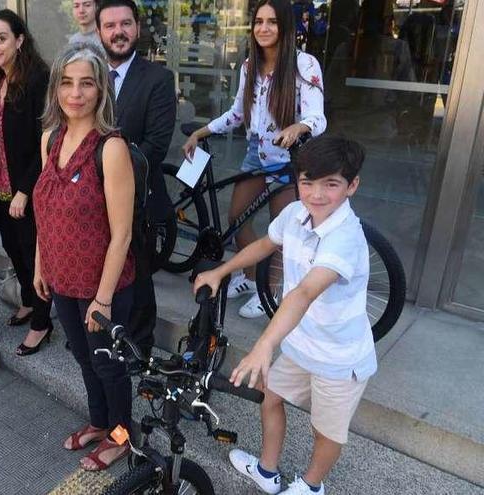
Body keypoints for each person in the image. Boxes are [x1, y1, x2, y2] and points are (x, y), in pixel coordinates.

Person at [194, 135, 375, 495]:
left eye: (331, 184)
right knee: (270, 397)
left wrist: (264, 344)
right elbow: (266, 244)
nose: (317, 195)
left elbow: (305, 292)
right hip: (299, 342)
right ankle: (267, 470)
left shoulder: (345, 238)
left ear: (352, 186)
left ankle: (310, 486)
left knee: (326, 430)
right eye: (307, 182)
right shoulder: (295, 213)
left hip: (340, 359)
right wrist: (221, 271)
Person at [182, 0, 326, 318]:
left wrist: (299, 126)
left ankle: (268, 290)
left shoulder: (305, 65)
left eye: (272, 22)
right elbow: (237, 114)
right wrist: (201, 132)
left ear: (285, 27)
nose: (263, 28)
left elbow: (318, 117)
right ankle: (249, 277)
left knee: (281, 232)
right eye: (258, 21)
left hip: (289, 159)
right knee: (237, 220)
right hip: (255, 155)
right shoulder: (250, 66)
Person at [34, 42, 135, 472]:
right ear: (56, 88)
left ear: (101, 91)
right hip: (60, 277)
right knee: (83, 357)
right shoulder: (49, 139)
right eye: (67, 83)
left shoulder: (110, 148)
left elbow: (123, 233)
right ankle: (99, 422)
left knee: (109, 366)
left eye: (87, 84)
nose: (75, 93)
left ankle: (122, 437)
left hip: (101, 285)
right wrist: (41, 264)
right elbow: (46, 209)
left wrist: (104, 299)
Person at [96, 0, 176, 356]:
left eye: (125, 23)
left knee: (138, 278)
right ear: (99, 32)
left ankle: (139, 347)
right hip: (90, 199)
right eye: (110, 25)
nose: (118, 32)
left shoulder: (158, 79)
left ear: (137, 28)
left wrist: (107, 173)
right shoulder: (89, 76)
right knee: (98, 267)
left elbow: (155, 146)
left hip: (138, 199)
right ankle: (99, 333)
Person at [0, 9, 54, 356]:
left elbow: (47, 140)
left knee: (32, 254)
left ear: (20, 39)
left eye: (1, 38)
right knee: (14, 251)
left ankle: (42, 322)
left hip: (26, 190)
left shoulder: (39, 79)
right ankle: (27, 301)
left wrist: (25, 189)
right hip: (0, 187)